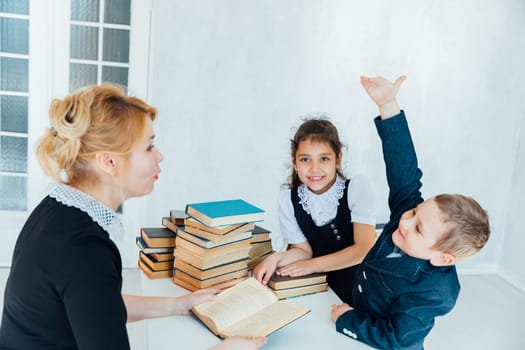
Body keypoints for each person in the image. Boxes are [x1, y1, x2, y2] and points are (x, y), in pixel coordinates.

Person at [0, 84, 265, 350]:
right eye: (149, 147)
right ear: (109, 162)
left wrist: (178, 304)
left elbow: (97, 306)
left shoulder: (56, 212)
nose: (159, 156)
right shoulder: (84, 248)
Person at [330, 75, 490, 349]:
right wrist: (388, 105)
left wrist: (349, 321)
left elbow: (397, 340)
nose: (405, 220)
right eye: (415, 211)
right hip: (361, 299)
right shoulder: (408, 218)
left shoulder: (434, 292)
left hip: (376, 337)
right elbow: (402, 168)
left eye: (418, 228)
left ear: (441, 258)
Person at [253, 114, 377, 303]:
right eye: (305, 160)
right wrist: (275, 259)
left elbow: (364, 249)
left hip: (366, 286)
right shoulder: (289, 199)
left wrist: (311, 266)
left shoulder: (356, 188)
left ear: (338, 159)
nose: (314, 168)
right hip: (324, 288)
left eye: (324, 159)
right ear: (294, 162)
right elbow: (303, 251)